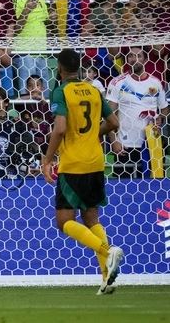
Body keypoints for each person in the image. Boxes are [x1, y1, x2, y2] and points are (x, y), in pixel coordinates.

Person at [41, 48, 123, 295]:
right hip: (96, 162)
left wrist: (47, 160)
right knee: (92, 219)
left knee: (64, 221)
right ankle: (106, 279)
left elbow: (60, 128)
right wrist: (89, 135)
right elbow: (113, 123)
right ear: (79, 67)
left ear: (59, 68)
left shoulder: (61, 90)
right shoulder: (95, 90)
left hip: (74, 164)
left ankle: (107, 252)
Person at [106, 47, 169, 177]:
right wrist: (113, 141)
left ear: (145, 60)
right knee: (123, 188)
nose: (134, 59)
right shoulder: (117, 82)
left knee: (154, 186)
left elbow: (164, 109)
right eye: (131, 56)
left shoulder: (155, 82)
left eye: (139, 56)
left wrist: (160, 118)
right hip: (125, 145)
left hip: (152, 142)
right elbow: (108, 115)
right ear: (126, 60)